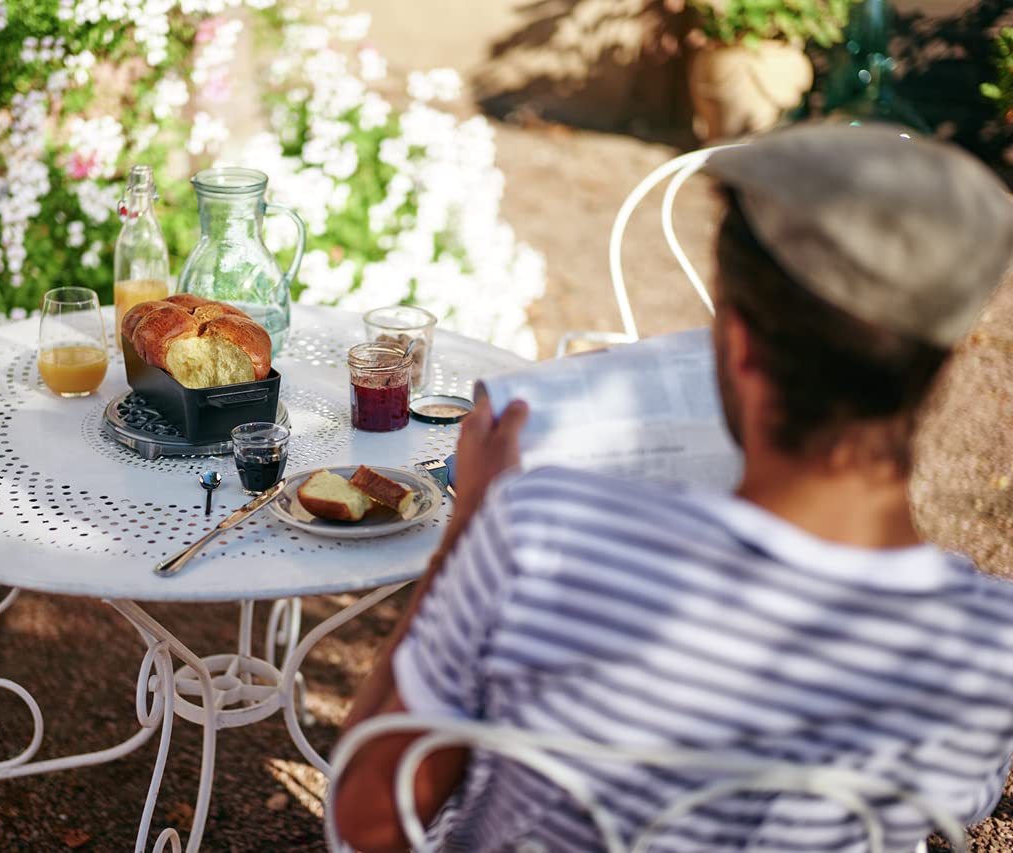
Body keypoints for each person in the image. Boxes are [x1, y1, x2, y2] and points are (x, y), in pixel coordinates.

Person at [333, 122, 1013, 853]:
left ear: (742, 345)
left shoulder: (540, 535)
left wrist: (466, 533)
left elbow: (364, 825)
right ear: (940, 363)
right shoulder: (986, 647)